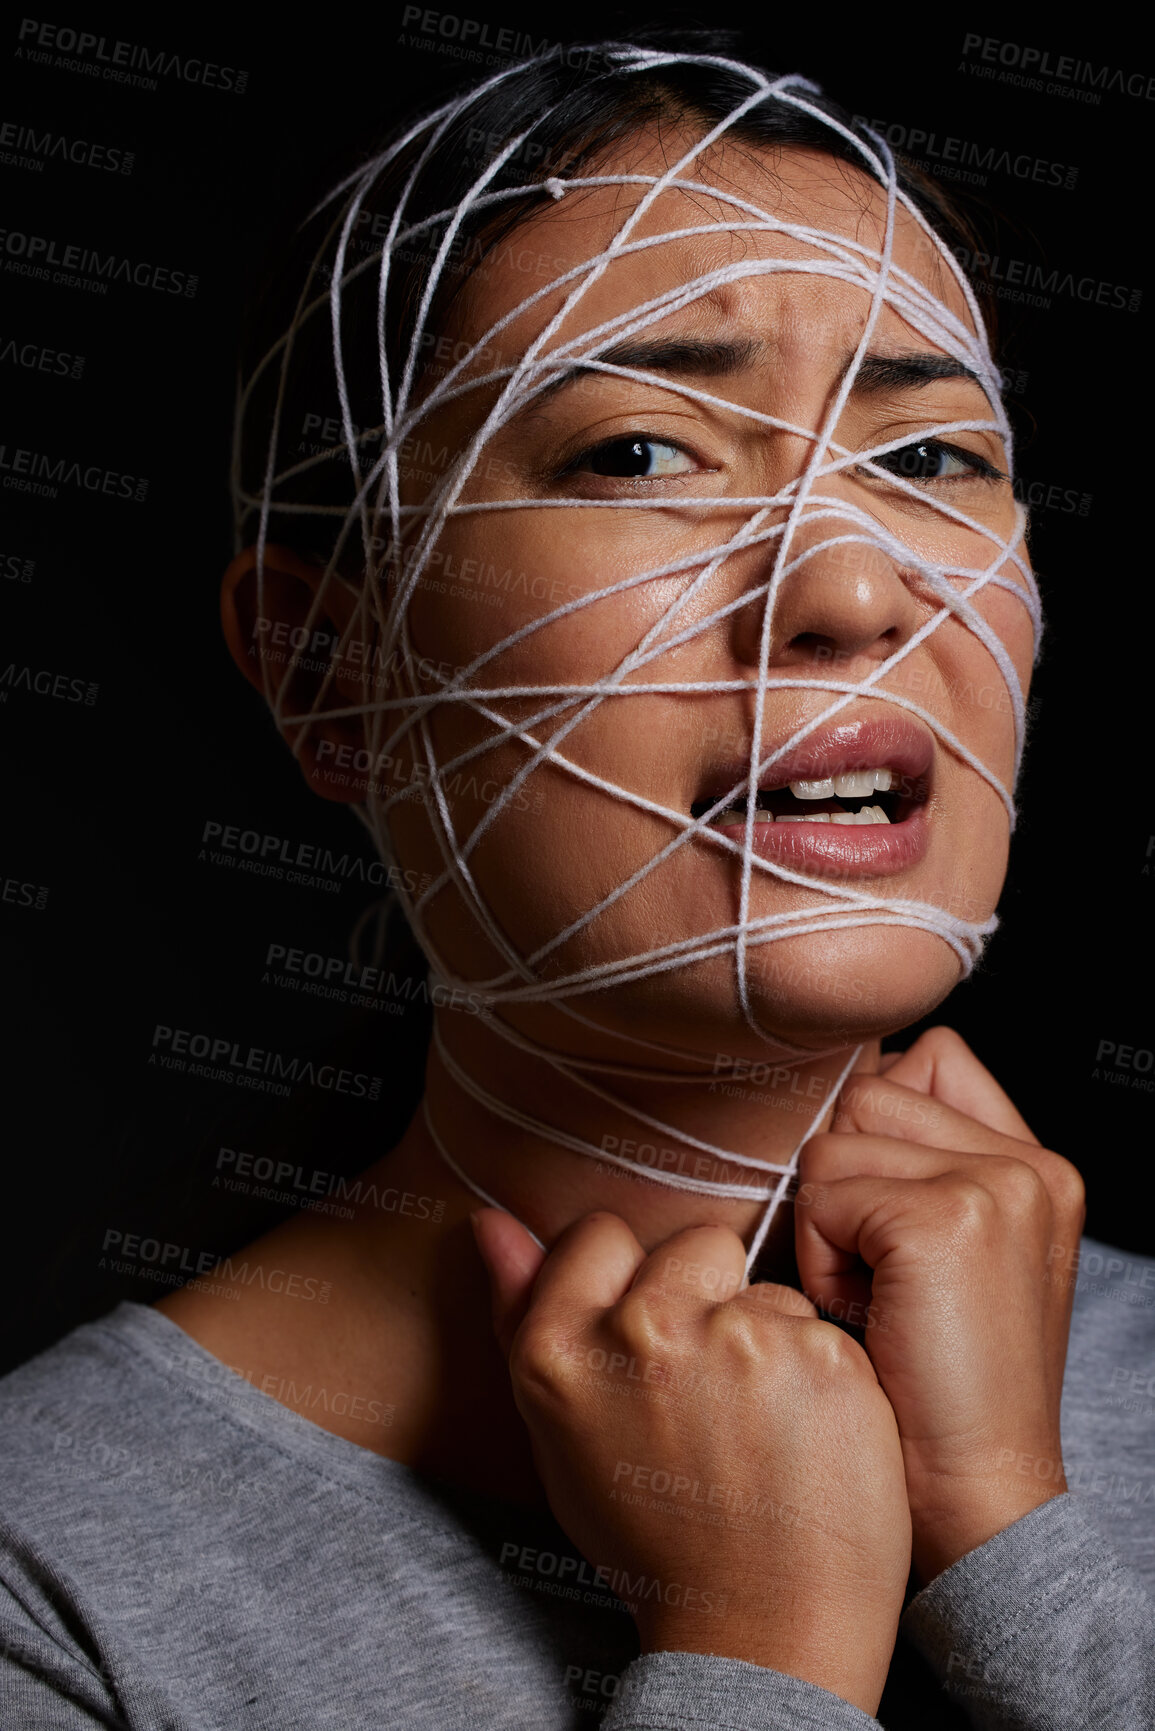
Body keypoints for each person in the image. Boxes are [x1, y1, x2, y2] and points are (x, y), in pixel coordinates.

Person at [1, 32, 1151, 1730]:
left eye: (927, 460)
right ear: (328, 670)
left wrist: (1013, 1539)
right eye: (641, 454)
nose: (848, 585)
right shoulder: (53, 1575)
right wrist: (758, 1651)